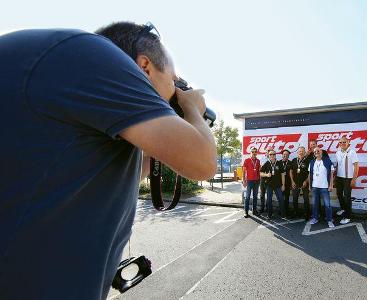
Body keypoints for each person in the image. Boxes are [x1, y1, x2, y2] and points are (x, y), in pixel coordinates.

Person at [0, 21, 216, 300]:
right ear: (144, 66)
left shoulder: (76, 80)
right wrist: (192, 109)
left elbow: (108, 176)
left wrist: (163, 138)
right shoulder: (95, 56)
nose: (176, 93)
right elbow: (203, 164)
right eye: (174, 83)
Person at [309, 147, 335, 228]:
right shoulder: (312, 162)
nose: (317, 152)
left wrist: (331, 185)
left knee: (327, 204)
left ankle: (329, 220)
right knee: (315, 204)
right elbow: (310, 175)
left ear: (321, 152)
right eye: (315, 151)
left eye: (318, 151)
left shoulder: (327, 161)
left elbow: (331, 174)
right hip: (314, 186)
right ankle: (315, 218)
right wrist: (310, 185)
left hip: (324, 187)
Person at [335, 137, 359, 224]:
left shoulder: (352, 152)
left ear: (348, 142)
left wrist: (354, 178)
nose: (342, 144)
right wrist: (335, 177)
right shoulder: (337, 152)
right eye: (340, 142)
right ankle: (344, 209)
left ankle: (348, 216)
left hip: (348, 178)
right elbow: (338, 164)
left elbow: (356, 166)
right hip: (339, 177)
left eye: (344, 142)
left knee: (347, 197)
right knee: (339, 194)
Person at [305, 139, 329, 219]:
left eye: (313, 144)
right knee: (316, 201)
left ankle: (327, 216)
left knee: (326, 202)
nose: (312, 146)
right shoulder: (309, 154)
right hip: (314, 182)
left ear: (316, 144)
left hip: (324, 181)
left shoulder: (323, 152)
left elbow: (328, 165)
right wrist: (306, 155)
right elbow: (308, 168)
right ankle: (317, 215)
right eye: (311, 145)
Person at [260, 150, 285, 219]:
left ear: (275, 155)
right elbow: (260, 173)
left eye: (273, 154)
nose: (272, 155)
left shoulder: (279, 163)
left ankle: (283, 214)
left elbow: (282, 174)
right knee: (269, 200)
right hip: (269, 185)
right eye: (270, 154)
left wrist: (283, 185)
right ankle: (269, 214)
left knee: (281, 199)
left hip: (278, 185)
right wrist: (266, 174)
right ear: (268, 155)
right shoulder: (267, 163)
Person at [291, 146, 310, 219]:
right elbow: (291, 171)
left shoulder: (308, 161)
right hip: (295, 183)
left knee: (306, 199)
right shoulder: (294, 160)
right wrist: (292, 181)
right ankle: (296, 212)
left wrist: (306, 181)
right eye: (299, 151)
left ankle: (306, 214)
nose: (301, 152)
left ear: (305, 152)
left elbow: (310, 173)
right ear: (297, 152)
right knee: (295, 198)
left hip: (305, 183)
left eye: (302, 151)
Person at [242, 147, 261, 217]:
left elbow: (259, 171)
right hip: (249, 181)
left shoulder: (258, 161)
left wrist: (260, 180)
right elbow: (243, 171)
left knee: (255, 197)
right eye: (252, 151)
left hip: (257, 181)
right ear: (250, 153)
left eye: (255, 151)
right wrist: (244, 181)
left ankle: (254, 211)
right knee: (247, 197)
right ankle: (246, 212)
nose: (254, 153)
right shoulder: (246, 160)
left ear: (257, 153)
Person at [280, 149, 293, 218]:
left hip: (287, 184)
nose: (285, 155)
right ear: (282, 155)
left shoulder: (291, 163)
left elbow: (292, 174)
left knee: (287, 198)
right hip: (280, 184)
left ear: (288, 156)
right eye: (284, 154)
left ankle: (286, 211)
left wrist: (291, 183)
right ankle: (281, 211)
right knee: (281, 198)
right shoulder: (278, 162)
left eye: (287, 155)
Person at [259, 147, 273, 213]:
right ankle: (262, 208)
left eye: (270, 150)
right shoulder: (262, 158)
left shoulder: (273, 158)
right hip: (263, 178)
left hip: (270, 178)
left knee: (269, 194)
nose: (269, 151)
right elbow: (262, 169)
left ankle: (268, 208)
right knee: (262, 194)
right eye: (268, 150)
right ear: (266, 151)